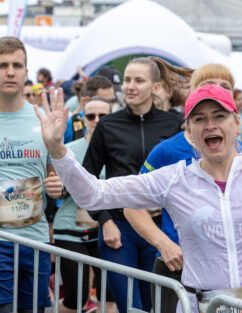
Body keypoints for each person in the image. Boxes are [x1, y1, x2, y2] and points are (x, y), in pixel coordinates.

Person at [35, 61, 242, 313]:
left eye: (219, 115)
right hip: (200, 304)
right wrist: (58, 150)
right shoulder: (174, 179)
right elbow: (93, 193)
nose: (210, 125)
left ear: (237, 123)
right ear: (189, 132)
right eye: (199, 118)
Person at [124, 63, 242, 313]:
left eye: (223, 87)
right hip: (177, 267)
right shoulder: (167, 151)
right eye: (208, 87)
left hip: (229, 266)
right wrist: (164, 244)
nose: (215, 93)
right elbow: (131, 207)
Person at [82, 57, 184, 313]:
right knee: (130, 308)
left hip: (161, 230)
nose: (130, 86)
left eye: (139, 80)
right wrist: (104, 220)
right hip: (119, 231)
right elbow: (87, 179)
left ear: (156, 87)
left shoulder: (173, 125)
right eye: (127, 80)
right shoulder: (107, 125)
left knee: (157, 307)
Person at [44, 98, 116, 313]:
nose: (96, 120)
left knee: (110, 297)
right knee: (76, 300)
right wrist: (55, 187)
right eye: (91, 116)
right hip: (70, 231)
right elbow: (58, 187)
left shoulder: (118, 148)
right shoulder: (69, 149)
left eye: (102, 116)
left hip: (107, 232)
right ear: (83, 119)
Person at [0, 37, 52, 313]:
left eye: (17, 65)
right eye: (3, 65)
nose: (10, 71)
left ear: (26, 73)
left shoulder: (43, 118)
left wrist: (59, 187)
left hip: (36, 240)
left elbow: (58, 174)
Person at [63, 75, 116, 144]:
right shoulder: (69, 124)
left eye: (113, 100)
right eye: (104, 101)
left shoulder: (116, 122)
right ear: (87, 100)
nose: (110, 105)